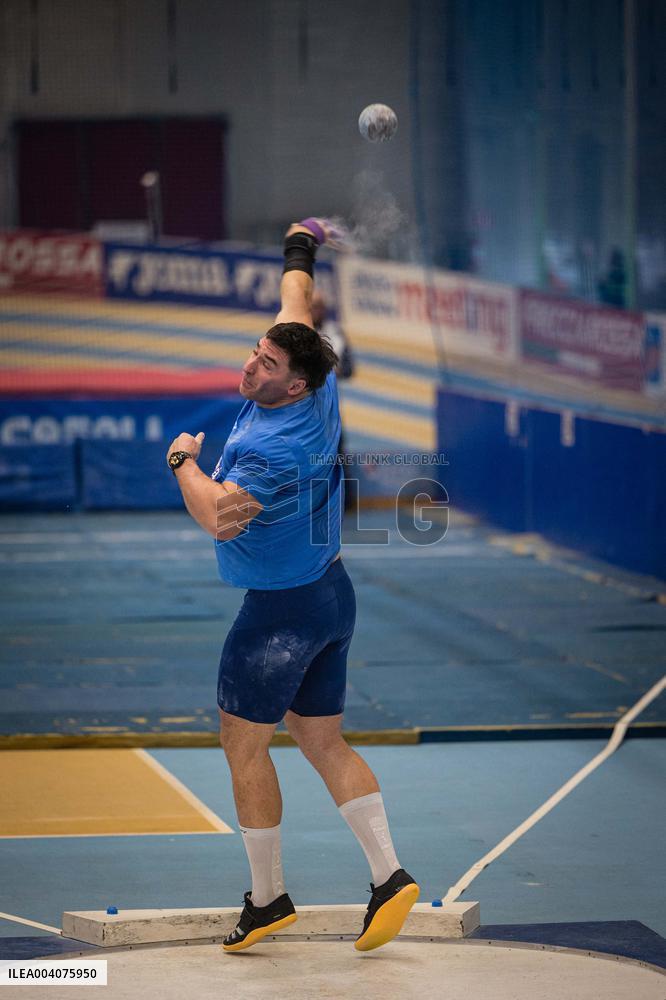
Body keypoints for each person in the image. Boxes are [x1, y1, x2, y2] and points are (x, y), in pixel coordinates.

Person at [166, 216, 419, 955]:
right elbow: (297, 297)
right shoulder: (311, 376)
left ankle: (267, 899)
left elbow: (219, 518)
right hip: (331, 597)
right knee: (323, 740)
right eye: (255, 351)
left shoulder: (273, 450)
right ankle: (390, 877)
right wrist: (302, 241)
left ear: (294, 383)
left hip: (278, 617)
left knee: (243, 749)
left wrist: (183, 462)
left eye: (266, 363)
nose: (252, 366)